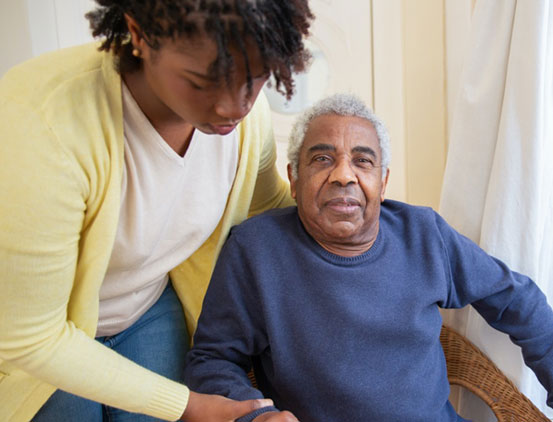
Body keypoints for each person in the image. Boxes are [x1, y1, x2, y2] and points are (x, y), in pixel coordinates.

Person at [0, 1, 314, 421]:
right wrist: (188, 406)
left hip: (148, 306)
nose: (234, 107)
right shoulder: (42, 125)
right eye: (203, 82)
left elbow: (268, 206)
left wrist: (377, 224)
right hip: (37, 337)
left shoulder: (247, 124)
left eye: (255, 79)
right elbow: (30, 337)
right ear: (140, 34)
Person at [184, 93, 553, 421]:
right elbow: (212, 360)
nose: (343, 175)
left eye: (362, 161)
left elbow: (517, 301)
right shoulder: (256, 249)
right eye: (323, 159)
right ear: (294, 179)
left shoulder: (424, 233)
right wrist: (256, 414)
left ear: (383, 181)